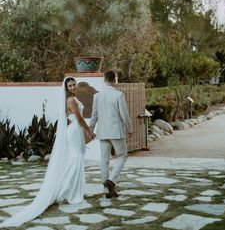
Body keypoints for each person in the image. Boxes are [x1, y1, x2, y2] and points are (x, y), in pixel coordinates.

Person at [0, 76, 94, 228]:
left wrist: (74, 124)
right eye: (70, 86)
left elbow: (68, 117)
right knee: (76, 159)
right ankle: (67, 191)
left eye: (74, 84)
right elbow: (79, 118)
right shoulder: (71, 100)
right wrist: (89, 131)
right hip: (76, 130)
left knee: (77, 158)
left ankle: (76, 190)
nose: (73, 87)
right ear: (66, 88)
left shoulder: (72, 99)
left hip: (74, 130)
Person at [89, 70, 133, 198]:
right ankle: (111, 181)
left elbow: (94, 115)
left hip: (102, 132)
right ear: (115, 80)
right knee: (123, 156)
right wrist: (129, 129)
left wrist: (90, 129)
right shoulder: (119, 95)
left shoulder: (97, 96)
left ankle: (107, 188)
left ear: (104, 80)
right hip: (116, 131)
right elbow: (124, 114)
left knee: (104, 160)